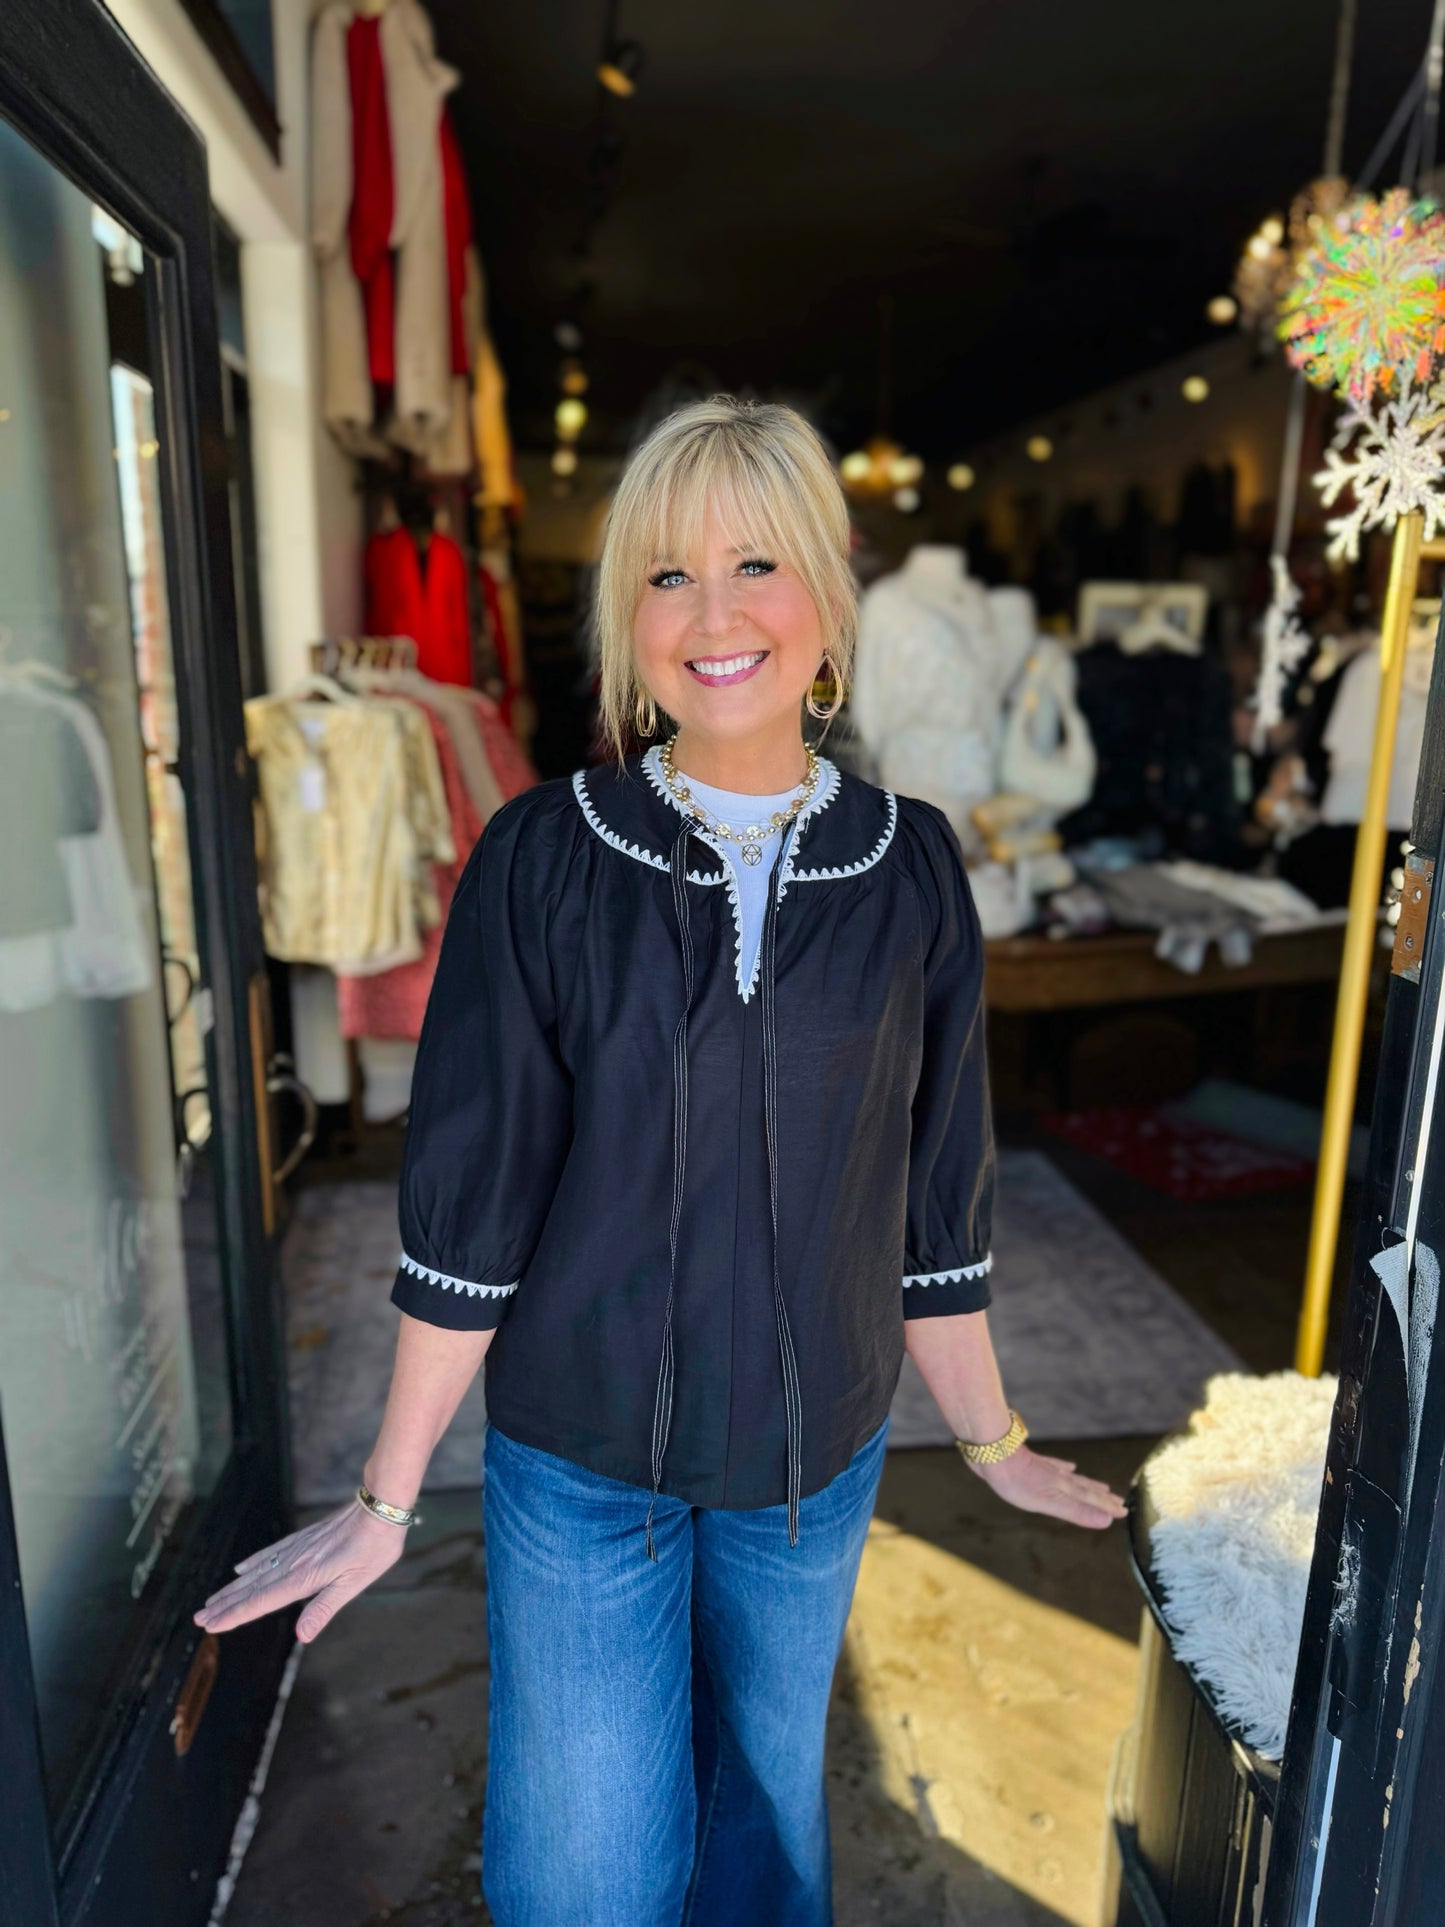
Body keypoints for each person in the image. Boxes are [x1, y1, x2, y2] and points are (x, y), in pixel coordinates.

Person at [196, 396, 1126, 1927]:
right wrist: (382, 1494)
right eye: (665, 576)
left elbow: (931, 1197)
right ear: (625, 621)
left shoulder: (910, 867)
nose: (712, 616)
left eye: (754, 564)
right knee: (585, 1878)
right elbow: (471, 1215)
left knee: (765, 1841)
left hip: (806, 1464)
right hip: (581, 1465)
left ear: (825, 601)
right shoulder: (543, 855)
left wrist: (988, 1434)